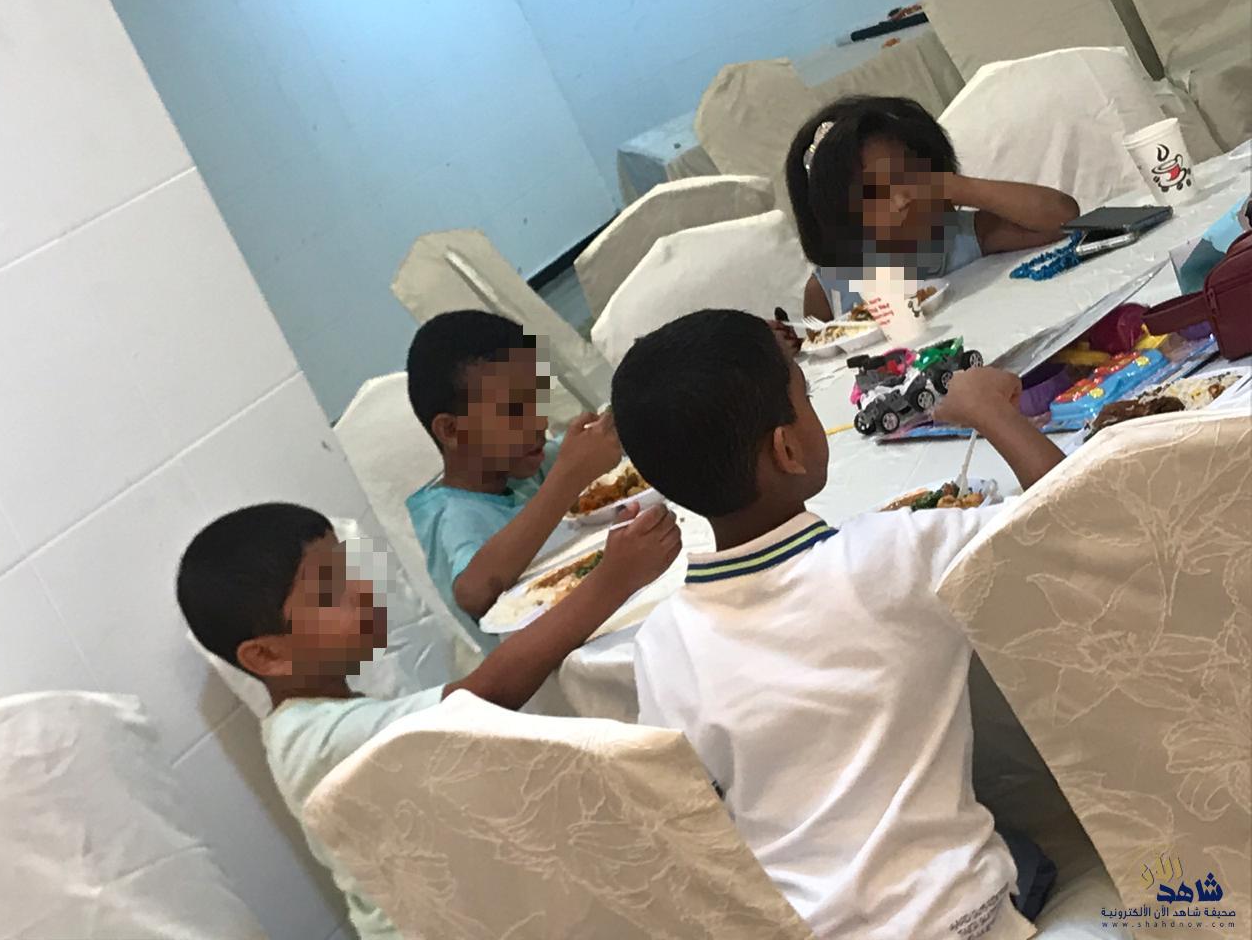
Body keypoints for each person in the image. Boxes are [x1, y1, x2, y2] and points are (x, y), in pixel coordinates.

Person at [611, 310, 1066, 940]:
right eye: (803, 396)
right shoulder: (892, 554)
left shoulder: (661, 644)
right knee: (1036, 840)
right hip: (958, 919)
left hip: (814, 928)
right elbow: (1067, 519)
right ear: (788, 449)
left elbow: (697, 812)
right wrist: (989, 411)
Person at [176, 500, 681, 940]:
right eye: (330, 593)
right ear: (267, 655)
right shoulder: (312, 740)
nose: (362, 592)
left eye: (349, 572)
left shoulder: (322, 714)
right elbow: (487, 695)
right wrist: (612, 581)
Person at [405, 310, 624, 648]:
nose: (538, 422)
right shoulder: (454, 516)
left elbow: (596, 449)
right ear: (451, 430)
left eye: (536, 400)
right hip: (560, 671)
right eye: (514, 411)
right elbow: (474, 592)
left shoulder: (523, 465)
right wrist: (567, 479)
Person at [786, 95, 1080, 320]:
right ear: (836, 213)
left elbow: (1064, 218)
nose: (901, 199)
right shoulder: (829, 289)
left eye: (908, 176)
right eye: (872, 193)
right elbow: (823, 363)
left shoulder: (957, 236)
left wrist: (954, 187)